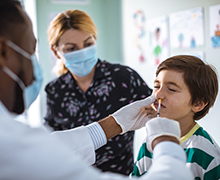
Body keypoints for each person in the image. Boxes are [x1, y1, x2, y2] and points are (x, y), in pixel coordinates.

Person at [0, 0, 194, 179]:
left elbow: (50, 148)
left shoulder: (124, 77)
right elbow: (48, 151)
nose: (33, 74)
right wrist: (167, 144)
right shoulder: (51, 94)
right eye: (30, 51)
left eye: (88, 44)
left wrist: (115, 124)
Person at [44, 9, 152, 175]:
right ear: (55, 51)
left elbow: (160, 109)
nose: (82, 52)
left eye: (88, 44)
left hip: (121, 173)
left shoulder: (123, 77)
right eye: (71, 49)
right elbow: (54, 136)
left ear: (95, 39)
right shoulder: (55, 90)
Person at [131, 55, 220, 179]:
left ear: (198, 104)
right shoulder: (150, 142)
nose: (158, 95)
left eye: (171, 89)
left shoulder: (206, 154)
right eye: (156, 86)